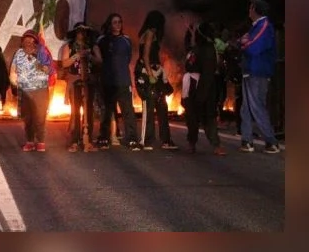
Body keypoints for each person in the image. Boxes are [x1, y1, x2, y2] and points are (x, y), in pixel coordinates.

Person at [239, 0, 281, 153]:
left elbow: (253, 47)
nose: (249, 11)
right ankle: (247, 140)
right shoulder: (256, 27)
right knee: (246, 108)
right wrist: (243, 41)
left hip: (257, 71)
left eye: (251, 8)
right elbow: (244, 41)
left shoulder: (264, 26)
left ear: (256, 10)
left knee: (256, 106)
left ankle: (271, 141)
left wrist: (243, 43)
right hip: (250, 70)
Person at [136, 10, 177, 150]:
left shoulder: (147, 34)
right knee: (150, 105)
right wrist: (151, 75)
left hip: (154, 71)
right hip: (148, 73)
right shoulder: (149, 33)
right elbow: (146, 56)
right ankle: (146, 140)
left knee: (162, 104)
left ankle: (166, 140)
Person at [96, 13, 139, 150]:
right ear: (110, 24)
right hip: (108, 81)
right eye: (115, 22)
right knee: (107, 111)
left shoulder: (126, 40)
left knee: (128, 111)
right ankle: (104, 137)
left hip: (123, 81)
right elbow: (97, 53)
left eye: (119, 22)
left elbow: (128, 58)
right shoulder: (102, 40)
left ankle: (132, 138)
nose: (118, 24)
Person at [184, 22, 226, 155]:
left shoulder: (208, 49)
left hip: (203, 87)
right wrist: (187, 34)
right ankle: (192, 143)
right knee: (191, 117)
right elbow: (188, 49)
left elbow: (207, 74)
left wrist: (201, 95)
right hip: (192, 87)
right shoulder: (198, 47)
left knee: (209, 116)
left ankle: (216, 145)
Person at [59, 22, 100, 152]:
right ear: (76, 33)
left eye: (84, 32)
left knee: (88, 110)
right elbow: (65, 63)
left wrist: (89, 55)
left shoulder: (92, 46)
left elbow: (100, 61)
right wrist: (77, 55)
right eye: (79, 32)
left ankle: (87, 139)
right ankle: (75, 140)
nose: (81, 34)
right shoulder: (69, 46)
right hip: (75, 81)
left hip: (88, 81)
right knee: (76, 111)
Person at [11, 30, 53, 151]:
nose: (28, 42)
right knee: (28, 118)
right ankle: (29, 141)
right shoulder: (18, 53)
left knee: (39, 117)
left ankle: (40, 141)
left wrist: (40, 63)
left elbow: (49, 70)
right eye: (26, 40)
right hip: (24, 90)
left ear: (36, 42)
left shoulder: (42, 53)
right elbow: (13, 70)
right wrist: (14, 83)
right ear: (22, 42)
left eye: (31, 40)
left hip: (40, 90)